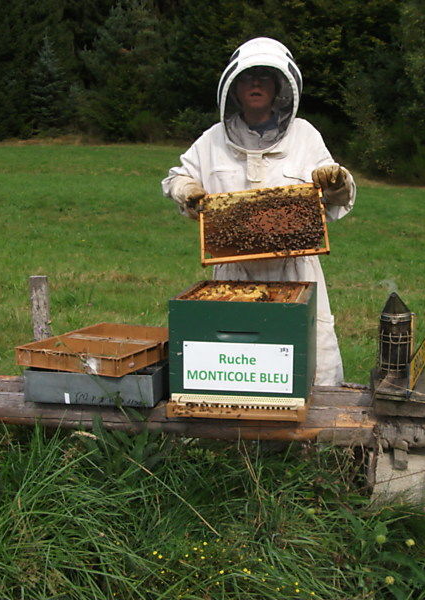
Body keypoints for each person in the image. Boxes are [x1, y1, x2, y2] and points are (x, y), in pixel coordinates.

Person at [161, 37, 356, 386]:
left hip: (296, 268)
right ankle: (243, 432)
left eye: (264, 77)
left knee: (311, 360)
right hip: (233, 274)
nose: (255, 84)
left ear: (279, 87)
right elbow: (178, 177)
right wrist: (185, 191)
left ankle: (314, 431)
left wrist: (337, 183)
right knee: (240, 358)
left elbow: (338, 191)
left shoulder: (304, 135)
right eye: (248, 78)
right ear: (234, 89)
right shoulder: (212, 139)